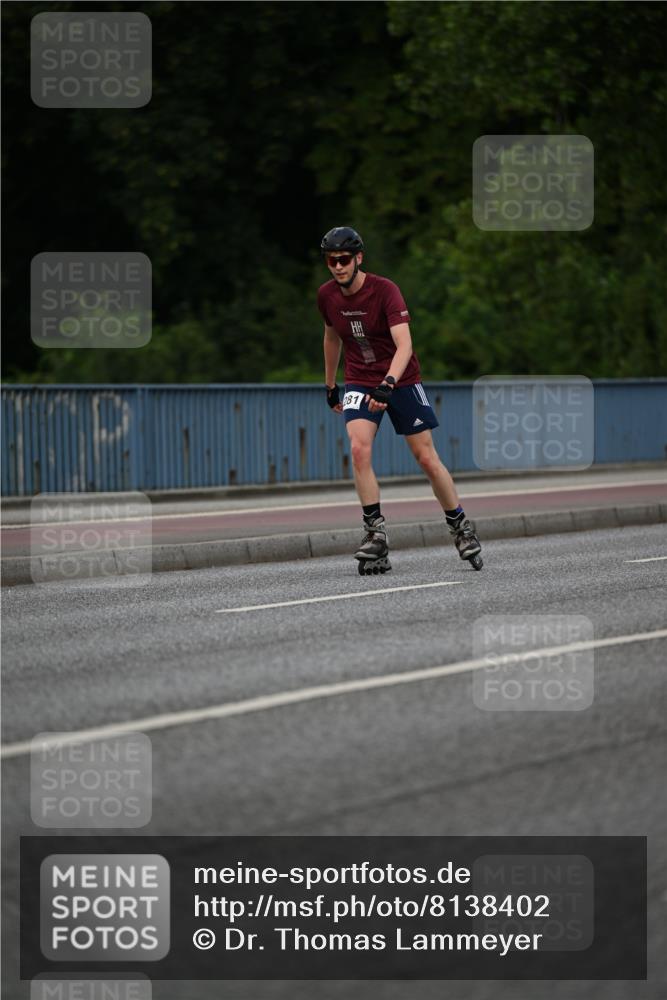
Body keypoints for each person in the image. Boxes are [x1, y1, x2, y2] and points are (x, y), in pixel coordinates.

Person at [317, 226, 482, 574]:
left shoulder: (385, 290)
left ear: (358, 259)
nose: (338, 266)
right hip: (360, 380)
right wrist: (331, 385)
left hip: (401, 378)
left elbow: (404, 345)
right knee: (358, 449)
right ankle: (375, 534)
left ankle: (460, 527)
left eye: (344, 259)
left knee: (426, 458)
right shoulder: (327, 295)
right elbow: (332, 338)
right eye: (331, 261)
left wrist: (389, 384)